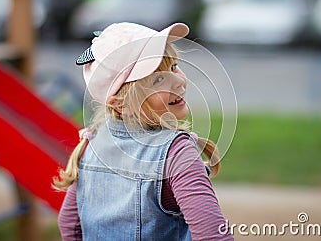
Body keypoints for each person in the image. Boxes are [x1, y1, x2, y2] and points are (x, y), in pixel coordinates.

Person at [53, 22, 234, 241]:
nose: (178, 82)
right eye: (158, 79)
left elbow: (69, 222)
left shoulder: (92, 145)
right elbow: (212, 235)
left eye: (174, 66)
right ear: (121, 103)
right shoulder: (176, 154)